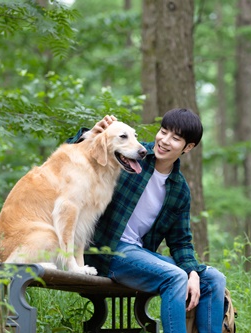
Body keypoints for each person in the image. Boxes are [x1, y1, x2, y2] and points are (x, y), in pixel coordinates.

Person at [68, 108, 226, 333]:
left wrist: (192, 271)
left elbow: (181, 242)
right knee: (175, 277)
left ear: (188, 147)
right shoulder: (130, 154)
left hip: (137, 253)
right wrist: (90, 135)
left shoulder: (179, 190)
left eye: (175, 138)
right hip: (105, 251)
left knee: (213, 278)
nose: (164, 140)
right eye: (163, 132)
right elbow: (73, 159)